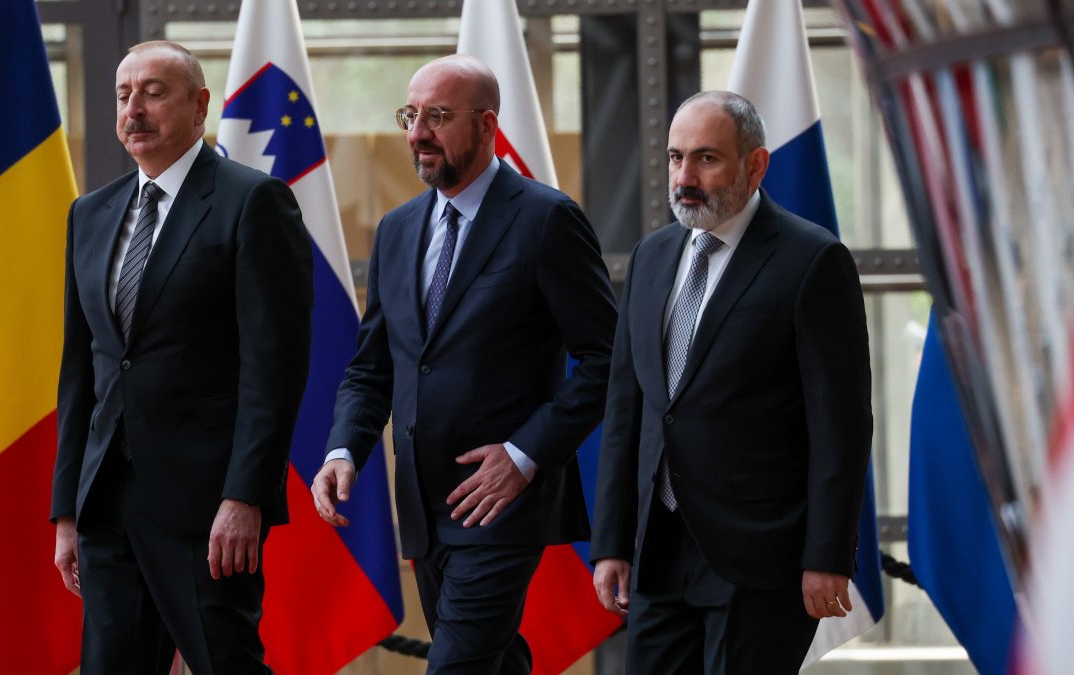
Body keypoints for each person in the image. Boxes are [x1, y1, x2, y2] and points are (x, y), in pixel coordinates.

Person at [311, 54, 617, 674]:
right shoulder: (398, 230)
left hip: (502, 508)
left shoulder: (546, 219)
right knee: (495, 663)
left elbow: (609, 360)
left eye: (438, 117)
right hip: (425, 509)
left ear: (486, 125)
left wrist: (525, 454)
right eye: (411, 115)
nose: (417, 132)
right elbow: (374, 368)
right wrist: (343, 450)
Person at [50, 41, 312, 674]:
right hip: (108, 498)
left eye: (153, 92)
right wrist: (67, 510)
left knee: (226, 662)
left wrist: (245, 496)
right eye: (123, 95)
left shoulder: (253, 201)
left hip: (207, 507)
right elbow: (80, 369)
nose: (134, 109)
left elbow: (274, 370)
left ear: (200, 107)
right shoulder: (90, 213)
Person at [590, 91, 873, 674]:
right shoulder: (651, 255)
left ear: (756, 164)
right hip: (659, 550)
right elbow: (628, 410)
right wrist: (612, 543)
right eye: (674, 158)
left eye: (706, 158)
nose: (684, 177)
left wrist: (827, 555)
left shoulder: (812, 260)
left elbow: (839, 427)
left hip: (760, 554)